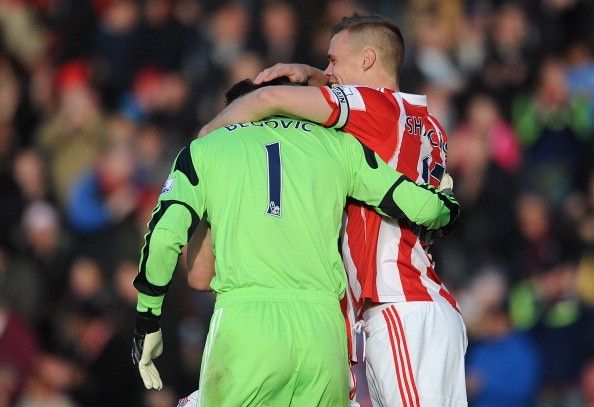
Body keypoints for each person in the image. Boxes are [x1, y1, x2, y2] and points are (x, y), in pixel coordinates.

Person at [131, 77, 459, 406]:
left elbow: (164, 238)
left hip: (248, 323)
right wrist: (448, 209)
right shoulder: (337, 145)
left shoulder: (205, 150)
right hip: (323, 332)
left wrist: (148, 316)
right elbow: (419, 205)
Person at [199, 14, 468, 407]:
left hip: (399, 305)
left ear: (368, 59)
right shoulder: (427, 125)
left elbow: (267, 99)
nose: (327, 72)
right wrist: (316, 75)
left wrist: (206, 143)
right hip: (417, 307)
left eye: (332, 61)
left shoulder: (373, 108)